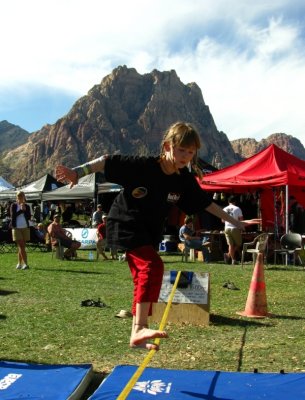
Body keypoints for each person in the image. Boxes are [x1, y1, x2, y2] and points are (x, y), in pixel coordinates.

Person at [55, 121, 247, 351]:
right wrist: (77, 172)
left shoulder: (184, 179)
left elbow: (206, 203)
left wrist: (235, 222)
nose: (186, 156)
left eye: (191, 152)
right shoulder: (144, 166)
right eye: (181, 150)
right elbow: (106, 160)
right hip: (124, 223)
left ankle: (137, 333)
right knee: (152, 266)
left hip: (148, 231)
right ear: (167, 146)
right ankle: (139, 328)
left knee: (143, 275)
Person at [10, 191, 31, 270]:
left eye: (22, 197)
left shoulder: (27, 206)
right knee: (21, 245)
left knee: (21, 247)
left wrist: (25, 210)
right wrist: (21, 210)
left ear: (24, 197)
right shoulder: (13, 205)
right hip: (16, 228)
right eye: (19, 197)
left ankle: (19, 263)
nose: (21, 198)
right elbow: (13, 216)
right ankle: (25, 264)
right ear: (17, 198)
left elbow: (29, 217)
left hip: (25, 227)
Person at [222, 195, 244, 265]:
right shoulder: (237, 208)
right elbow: (241, 220)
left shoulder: (224, 209)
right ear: (235, 201)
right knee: (239, 244)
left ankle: (232, 259)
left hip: (226, 228)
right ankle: (229, 256)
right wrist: (242, 228)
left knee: (230, 245)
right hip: (234, 228)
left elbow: (222, 220)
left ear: (228, 201)